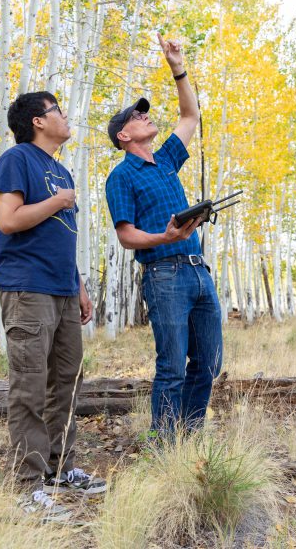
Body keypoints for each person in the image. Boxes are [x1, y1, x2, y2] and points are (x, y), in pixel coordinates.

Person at [0, 91, 106, 520]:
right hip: (27, 289)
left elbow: (59, 238)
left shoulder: (59, 168)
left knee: (67, 383)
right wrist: (59, 200)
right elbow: (9, 220)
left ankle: (61, 468)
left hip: (60, 290)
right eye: (58, 110)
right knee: (30, 386)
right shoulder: (16, 159)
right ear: (39, 121)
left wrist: (78, 285)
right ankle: (28, 487)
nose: (65, 116)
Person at [105, 34, 223, 436]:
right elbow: (127, 236)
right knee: (171, 368)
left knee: (209, 363)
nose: (145, 117)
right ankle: (165, 448)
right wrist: (166, 238)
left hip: (198, 270)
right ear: (123, 136)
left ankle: (188, 440)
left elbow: (190, 117)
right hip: (164, 275)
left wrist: (178, 68)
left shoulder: (167, 159)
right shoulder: (121, 175)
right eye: (136, 117)